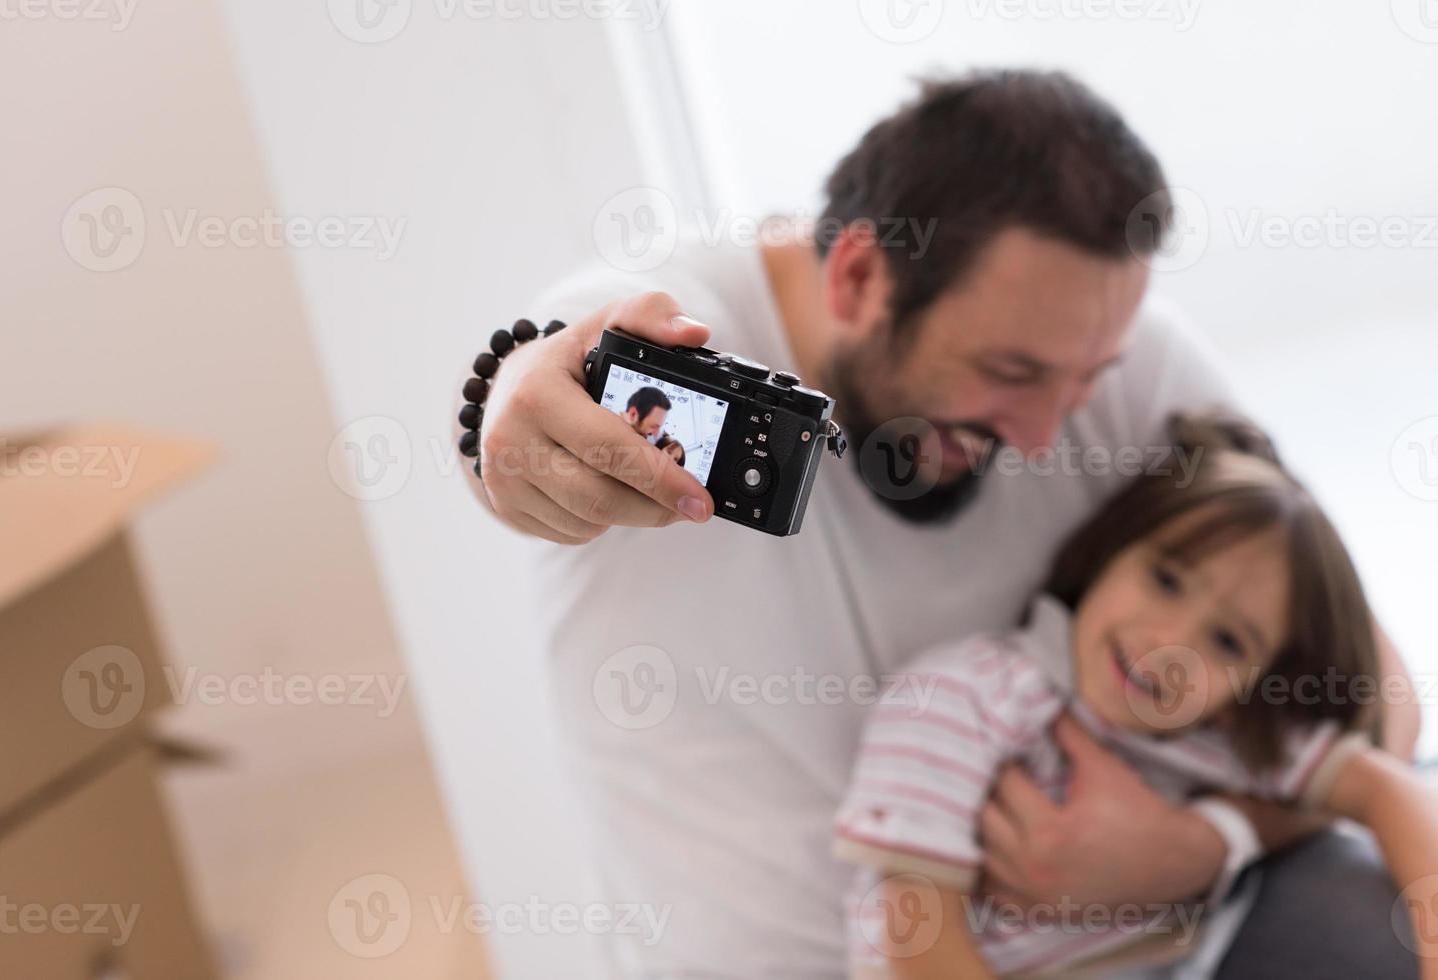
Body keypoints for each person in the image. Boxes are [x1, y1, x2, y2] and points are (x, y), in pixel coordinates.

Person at [461, 69, 1421, 977]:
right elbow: (529, 394)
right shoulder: (680, 328)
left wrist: (1198, 846)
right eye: (1009, 375)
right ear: (858, 280)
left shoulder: (1103, 352)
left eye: (1085, 382)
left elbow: (1380, 702)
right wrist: (509, 419)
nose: (1050, 434)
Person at [834, 413, 1438, 978]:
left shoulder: (1228, 734)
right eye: (1166, 579)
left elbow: (1388, 788)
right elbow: (913, 942)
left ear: (1250, 685)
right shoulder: (959, 699)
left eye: (1227, 641)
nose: (1169, 644)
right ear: (1112, 548)